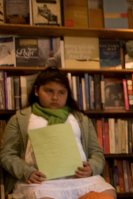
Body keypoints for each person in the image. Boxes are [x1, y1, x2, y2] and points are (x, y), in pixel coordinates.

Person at [0, 67, 116, 198]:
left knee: (106, 195)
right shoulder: (20, 119)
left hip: (81, 180)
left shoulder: (81, 119)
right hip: (41, 183)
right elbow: (7, 154)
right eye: (49, 91)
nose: (55, 97)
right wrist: (27, 172)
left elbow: (96, 152)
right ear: (36, 91)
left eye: (61, 92)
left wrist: (91, 168)